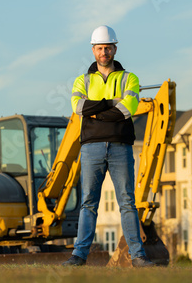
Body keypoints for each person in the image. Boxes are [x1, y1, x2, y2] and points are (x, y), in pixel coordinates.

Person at [62, 25, 154, 267]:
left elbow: (128, 108)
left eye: (108, 48)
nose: (104, 52)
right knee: (88, 203)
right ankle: (79, 256)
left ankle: (138, 257)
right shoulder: (82, 80)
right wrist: (110, 104)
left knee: (127, 202)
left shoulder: (129, 78)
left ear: (115, 48)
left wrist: (96, 111)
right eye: (100, 48)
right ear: (93, 50)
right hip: (90, 148)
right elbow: (78, 108)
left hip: (120, 147)